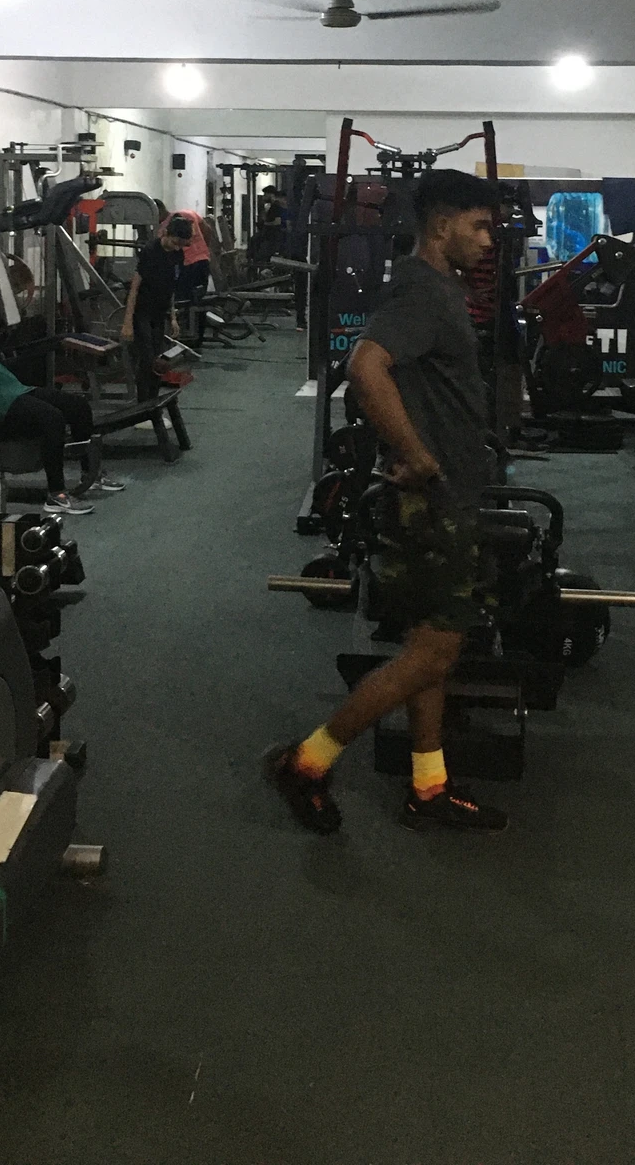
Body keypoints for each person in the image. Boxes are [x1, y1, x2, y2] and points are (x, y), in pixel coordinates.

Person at [265, 167, 508, 836]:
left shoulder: (438, 287)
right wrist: (417, 454)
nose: (489, 241)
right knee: (433, 654)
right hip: (436, 500)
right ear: (442, 225)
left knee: (427, 647)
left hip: (444, 494)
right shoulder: (423, 291)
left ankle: (428, 788)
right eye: (479, 227)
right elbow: (364, 367)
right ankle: (307, 763)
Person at [0, 263, 123, 517]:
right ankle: (57, 494)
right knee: (52, 419)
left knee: (78, 407)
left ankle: (92, 473)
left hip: (10, 390)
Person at [123, 214, 191, 398]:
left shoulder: (177, 254)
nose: (177, 247)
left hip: (160, 312)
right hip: (142, 311)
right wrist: (127, 323)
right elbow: (135, 287)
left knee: (159, 359)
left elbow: (171, 287)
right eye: (175, 242)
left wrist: (173, 317)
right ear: (166, 233)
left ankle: (153, 401)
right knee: (147, 359)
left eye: (181, 245)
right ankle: (143, 404)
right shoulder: (150, 251)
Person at [164, 207, 215, 347]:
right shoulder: (190, 213)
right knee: (198, 300)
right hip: (202, 260)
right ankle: (196, 338)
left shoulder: (165, 227)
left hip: (188, 264)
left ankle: (184, 336)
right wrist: (203, 248)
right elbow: (208, 230)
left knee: (183, 301)